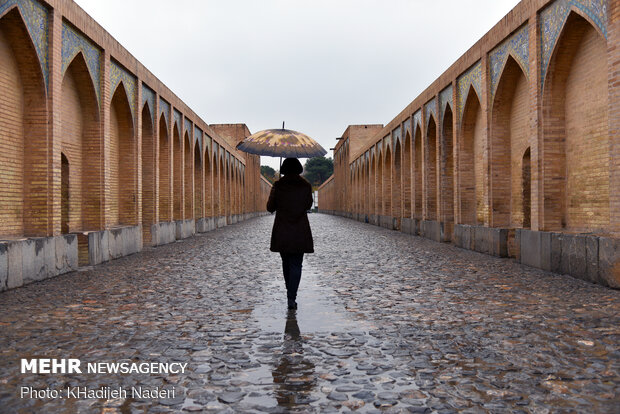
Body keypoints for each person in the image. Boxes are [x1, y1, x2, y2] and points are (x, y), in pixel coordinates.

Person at [266, 158, 314, 309]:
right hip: (300, 229)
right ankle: (292, 297)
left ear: (284, 168)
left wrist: (278, 191)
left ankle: (289, 293)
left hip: (283, 230)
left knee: (286, 263)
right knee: (296, 264)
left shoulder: (279, 185)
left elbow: (270, 207)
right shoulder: (305, 185)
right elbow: (308, 205)